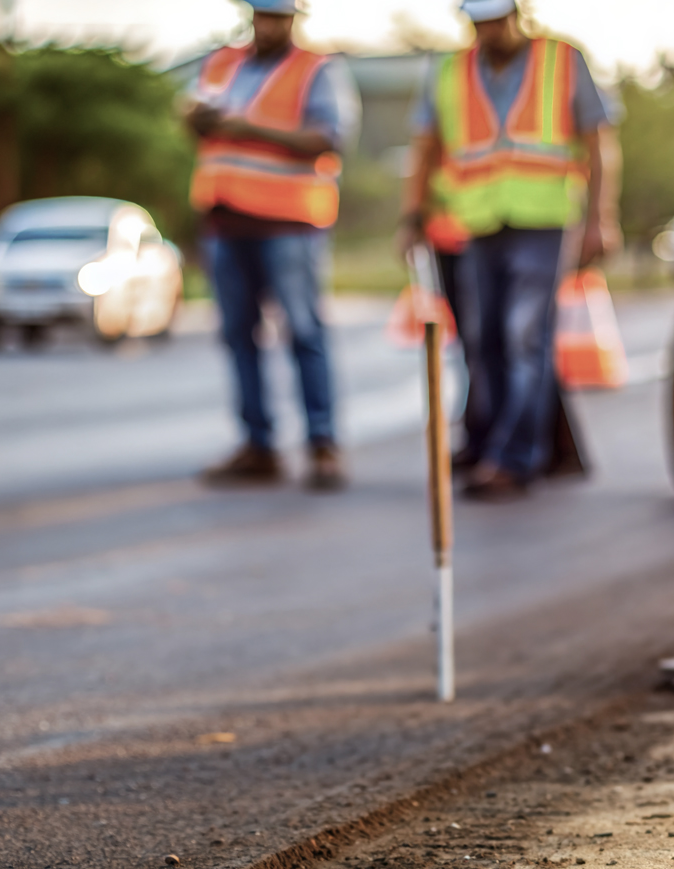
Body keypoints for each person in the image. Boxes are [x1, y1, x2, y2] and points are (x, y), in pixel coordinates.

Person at [397, 0, 620, 499]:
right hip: (476, 222)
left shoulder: (562, 61)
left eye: (496, 21)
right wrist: (413, 215)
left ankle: (515, 457)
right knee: (483, 339)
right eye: (479, 23)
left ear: (519, 13)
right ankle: (489, 439)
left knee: (525, 337)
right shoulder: (450, 70)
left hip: (543, 220)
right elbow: (427, 148)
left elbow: (600, 142)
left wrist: (600, 220)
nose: (489, 32)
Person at [186, 0, 360, 490]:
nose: (268, 25)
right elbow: (196, 121)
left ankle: (323, 443)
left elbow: (329, 139)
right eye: (262, 15)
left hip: (288, 223)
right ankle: (257, 444)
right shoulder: (222, 63)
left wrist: (249, 129)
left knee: (304, 332)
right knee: (238, 335)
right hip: (226, 220)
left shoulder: (317, 70)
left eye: (278, 17)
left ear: (293, 19)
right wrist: (198, 118)